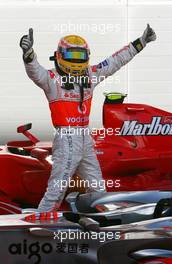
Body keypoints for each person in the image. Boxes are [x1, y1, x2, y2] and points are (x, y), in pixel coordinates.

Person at [20, 24, 156, 212]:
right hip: (67, 138)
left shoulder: (91, 74)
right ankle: (39, 223)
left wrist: (140, 42)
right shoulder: (51, 79)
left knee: (97, 187)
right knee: (57, 188)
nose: (76, 60)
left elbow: (115, 61)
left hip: (85, 138)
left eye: (80, 56)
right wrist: (29, 54)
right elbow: (35, 71)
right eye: (71, 56)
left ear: (87, 56)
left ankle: (107, 222)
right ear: (59, 56)